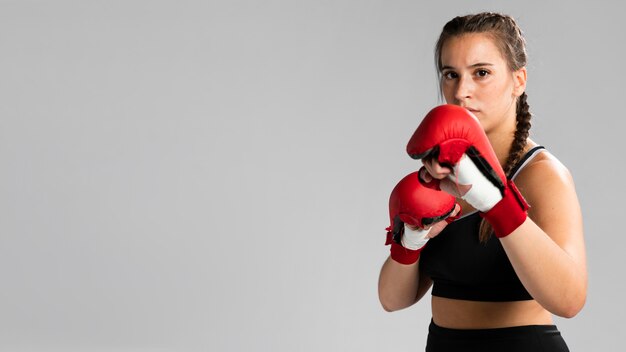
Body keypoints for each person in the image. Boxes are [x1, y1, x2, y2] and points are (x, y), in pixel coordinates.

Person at [378, 12, 586, 352]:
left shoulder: (542, 174)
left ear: (518, 80)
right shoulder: (444, 174)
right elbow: (392, 299)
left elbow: (570, 299)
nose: (462, 91)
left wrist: (496, 200)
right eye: (451, 75)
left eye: (481, 73)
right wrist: (409, 241)